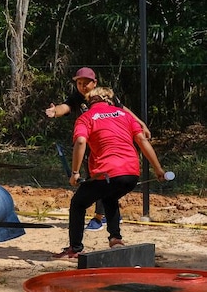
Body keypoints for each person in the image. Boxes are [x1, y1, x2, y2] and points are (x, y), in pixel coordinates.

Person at [53, 87, 168, 259]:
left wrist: (75, 172)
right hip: (130, 174)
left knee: (78, 203)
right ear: (110, 100)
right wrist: (158, 169)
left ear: (89, 102)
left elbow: (81, 141)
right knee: (109, 197)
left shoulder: (86, 117)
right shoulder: (125, 115)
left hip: (106, 173)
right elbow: (142, 140)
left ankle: (75, 248)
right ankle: (115, 238)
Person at [45, 66, 151, 231]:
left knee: (102, 181)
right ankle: (110, 218)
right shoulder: (76, 98)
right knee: (99, 182)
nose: (82, 86)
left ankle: (99, 218)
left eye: (86, 83)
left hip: (108, 147)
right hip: (91, 147)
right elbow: (65, 107)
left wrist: (140, 123)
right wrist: (55, 111)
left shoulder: (104, 97)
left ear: (94, 83)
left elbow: (123, 109)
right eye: (79, 83)